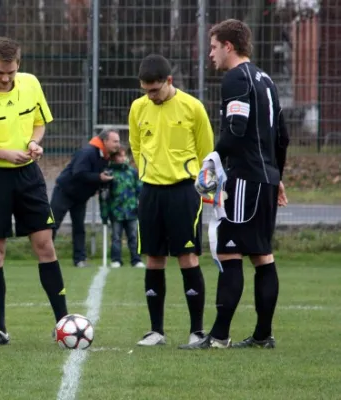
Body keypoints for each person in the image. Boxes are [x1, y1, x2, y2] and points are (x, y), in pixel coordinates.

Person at [180, 19, 289, 350]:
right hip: (266, 178)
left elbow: (237, 129)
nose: (210, 54)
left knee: (229, 252)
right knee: (262, 255)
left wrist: (211, 158)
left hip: (245, 179)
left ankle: (218, 337)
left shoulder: (235, 78)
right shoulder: (266, 79)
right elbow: (282, 135)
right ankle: (262, 336)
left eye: (213, 47)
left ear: (229, 46)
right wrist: (277, 176)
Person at [0, 37, 69, 345]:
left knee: (45, 245)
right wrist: (4, 154)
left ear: (18, 65)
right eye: (0, 72)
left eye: (11, 72)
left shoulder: (30, 84)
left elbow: (39, 123)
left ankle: (64, 325)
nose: (6, 78)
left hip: (28, 176)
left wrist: (34, 141)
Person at [128, 54, 215, 347]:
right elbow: (136, 146)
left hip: (184, 192)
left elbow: (207, 153)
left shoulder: (193, 107)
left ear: (169, 81)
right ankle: (156, 331)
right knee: (153, 258)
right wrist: (147, 173)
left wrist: (209, 193)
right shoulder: (138, 108)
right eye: (145, 90)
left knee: (187, 257)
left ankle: (197, 331)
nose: (150, 96)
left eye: (155, 90)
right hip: (151, 192)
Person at [50, 129, 120, 267]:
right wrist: (99, 178)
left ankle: (79, 259)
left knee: (79, 228)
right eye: (115, 141)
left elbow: (95, 175)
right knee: (52, 224)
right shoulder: (88, 152)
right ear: (105, 141)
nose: (118, 144)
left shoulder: (105, 156)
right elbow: (78, 173)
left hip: (80, 197)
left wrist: (99, 186)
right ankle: (46, 256)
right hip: (64, 192)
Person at [98, 147, 144, 268]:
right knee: (116, 237)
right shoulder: (109, 173)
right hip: (116, 212)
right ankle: (116, 259)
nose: (123, 158)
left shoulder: (132, 172)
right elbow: (104, 196)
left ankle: (136, 259)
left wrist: (141, 207)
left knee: (133, 236)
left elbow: (140, 190)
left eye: (124, 156)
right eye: (120, 156)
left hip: (132, 211)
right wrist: (104, 214)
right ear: (114, 158)